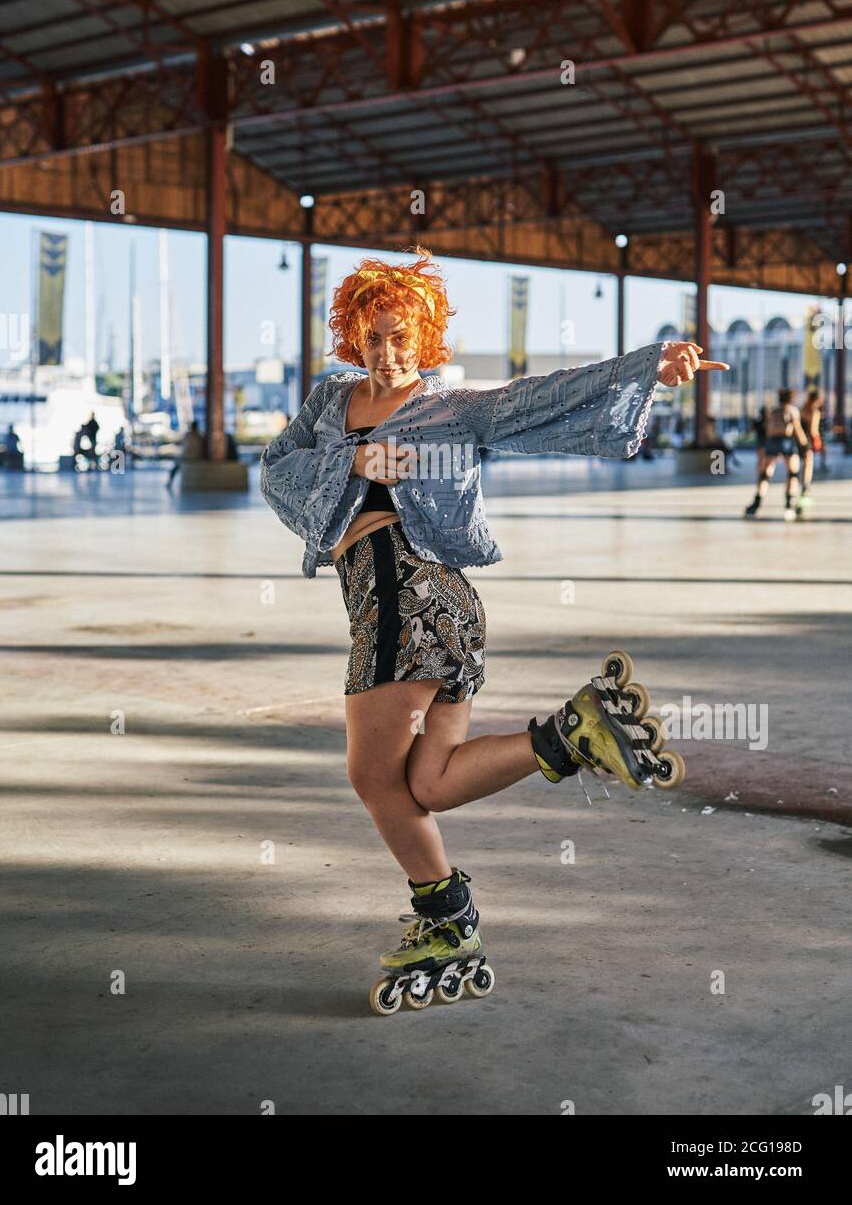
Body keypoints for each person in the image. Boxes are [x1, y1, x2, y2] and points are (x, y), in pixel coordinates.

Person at [260, 248, 728, 1010]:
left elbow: (541, 397)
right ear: (352, 334)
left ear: (425, 337)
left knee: (372, 776)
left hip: (406, 593)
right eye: (372, 335)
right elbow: (276, 471)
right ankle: (573, 733)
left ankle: (444, 917)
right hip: (425, 606)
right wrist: (356, 460)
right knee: (427, 783)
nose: (386, 349)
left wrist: (649, 369)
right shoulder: (329, 402)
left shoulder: (453, 408)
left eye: (400, 335)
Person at [744, 388, 807, 521]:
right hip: (786, 441)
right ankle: (790, 504)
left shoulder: (772, 411)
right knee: (793, 473)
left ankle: (756, 503)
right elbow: (797, 428)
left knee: (765, 474)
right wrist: (804, 445)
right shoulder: (792, 410)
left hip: (772, 441)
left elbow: (767, 428)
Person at [798, 388, 825, 511]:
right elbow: (814, 431)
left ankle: (793, 494)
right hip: (807, 441)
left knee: (795, 468)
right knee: (808, 465)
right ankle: (805, 491)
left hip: (797, 440)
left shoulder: (801, 409)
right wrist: (818, 442)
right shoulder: (815, 412)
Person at [167, 420, 204, 489]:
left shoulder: (190, 435)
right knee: (175, 467)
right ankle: (170, 482)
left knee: (175, 468)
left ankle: (170, 482)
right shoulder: (198, 436)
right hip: (189, 457)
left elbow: (183, 445)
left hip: (189, 457)